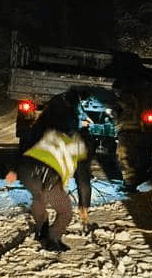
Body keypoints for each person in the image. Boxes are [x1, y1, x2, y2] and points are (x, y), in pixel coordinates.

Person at [7, 89, 92, 252]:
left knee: (38, 197)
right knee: (65, 212)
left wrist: (13, 170)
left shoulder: (51, 135)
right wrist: (84, 206)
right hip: (48, 175)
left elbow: (27, 148)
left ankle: (41, 231)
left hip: (26, 169)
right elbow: (83, 181)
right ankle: (52, 240)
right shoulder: (79, 145)